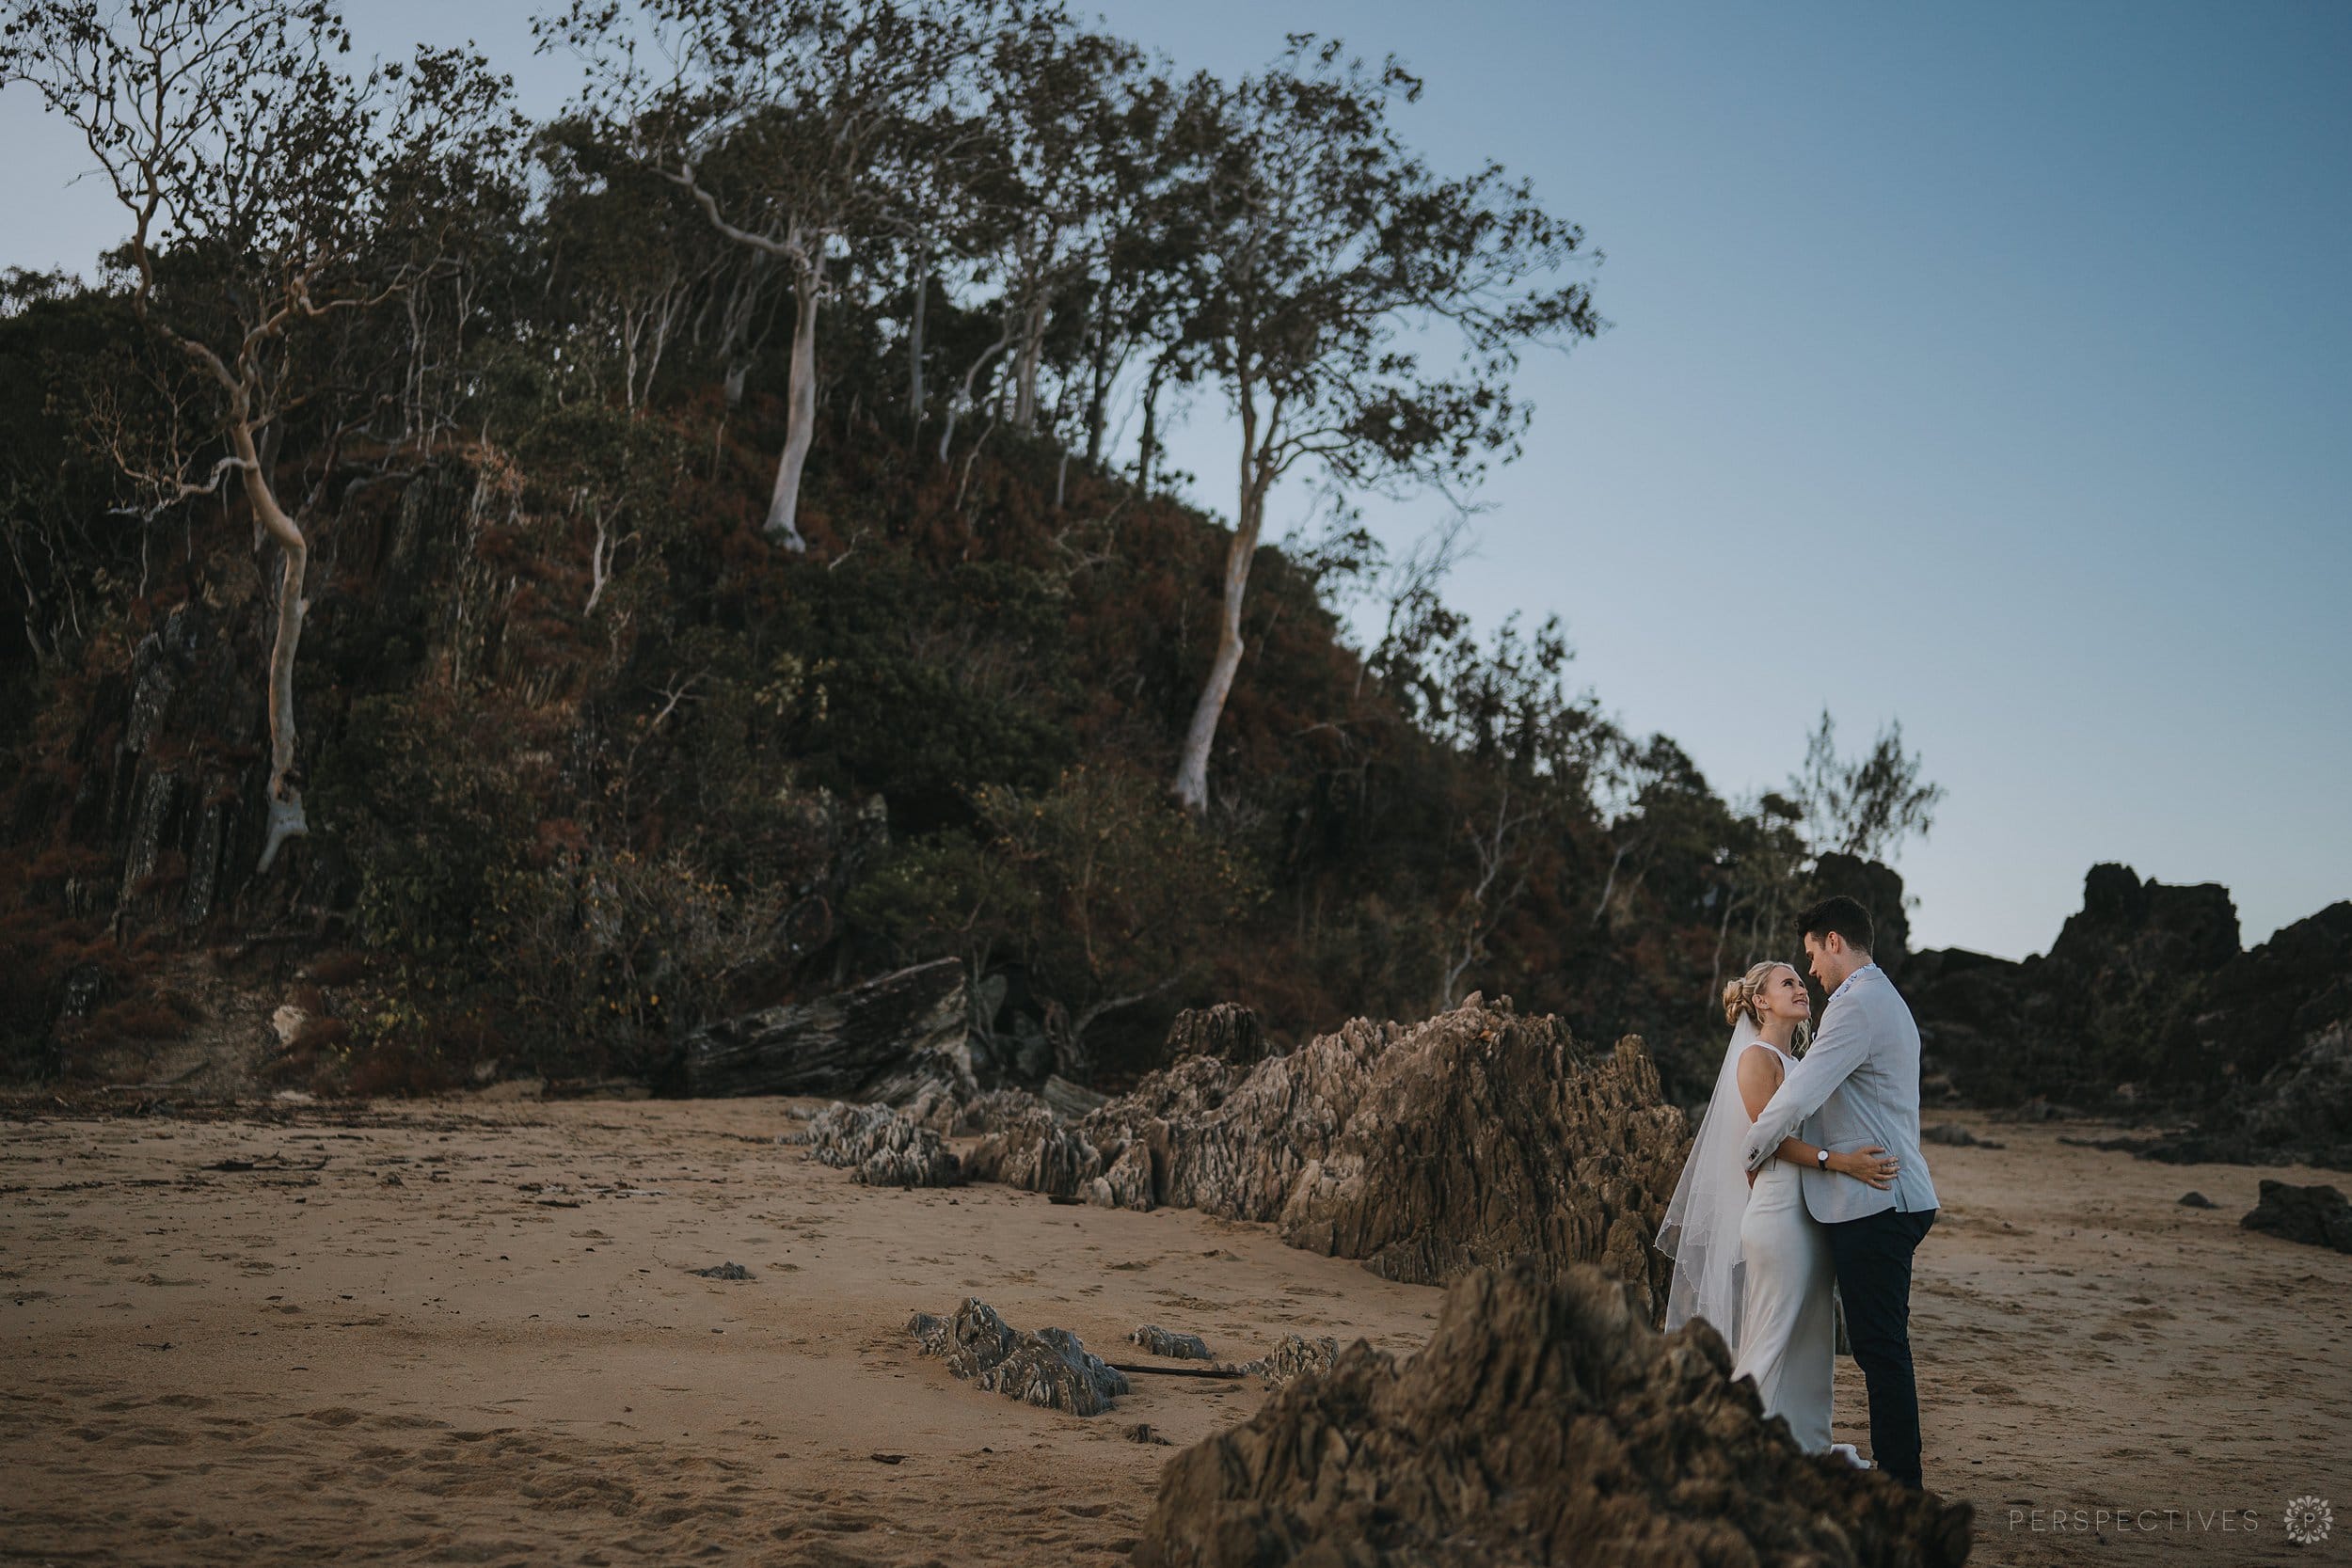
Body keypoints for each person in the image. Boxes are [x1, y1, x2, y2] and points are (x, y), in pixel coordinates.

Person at [1658, 958, 1898, 1460]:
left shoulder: (1801, 1063)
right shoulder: (1756, 1058)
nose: (1802, 988)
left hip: (1810, 1215)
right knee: (1771, 1333)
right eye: (1788, 982)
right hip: (1778, 1214)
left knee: (1811, 1341)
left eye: (1801, 981)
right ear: (1761, 1001)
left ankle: (1806, 1447)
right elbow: (1763, 1141)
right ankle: (1725, 1444)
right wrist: (1841, 1163)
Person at [1739, 895, 1941, 1490]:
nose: (1812, 974)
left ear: (1834, 941)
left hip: (1879, 1201)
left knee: (1879, 1349)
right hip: (1882, 1196)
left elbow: (1801, 1096)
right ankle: (1893, 1473)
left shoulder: (1857, 1007)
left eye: (1811, 956)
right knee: (1879, 1345)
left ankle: (1901, 1483)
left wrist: (1752, 1152)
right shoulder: (1882, 1000)